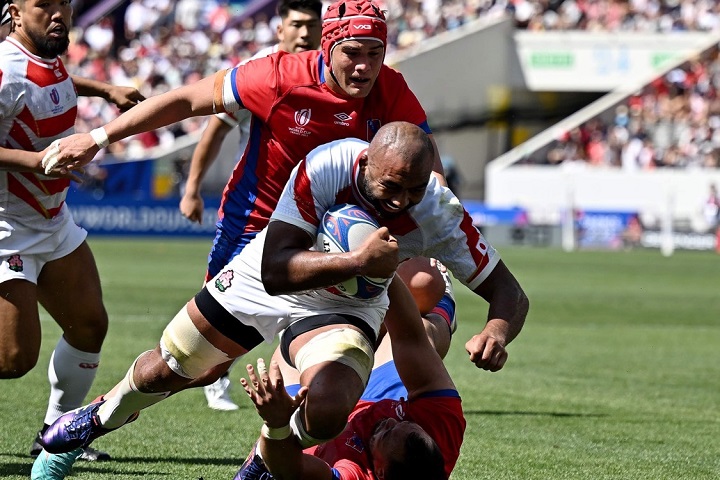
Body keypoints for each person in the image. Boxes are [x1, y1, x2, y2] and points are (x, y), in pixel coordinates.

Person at [36, 122, 528, 479]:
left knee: (329, 409)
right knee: (172, 368)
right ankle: (98, 417)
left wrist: (497, 330)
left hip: (345, 306)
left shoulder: (439, 214)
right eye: (390, 187)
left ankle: (264, 461)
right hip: (275, 268)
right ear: (365, 164)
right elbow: (276, 270)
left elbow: (509, 292)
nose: (400, 201)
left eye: (414, 190)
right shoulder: (328, 164)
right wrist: (360, 261)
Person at [0, 0, 144, 466]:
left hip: (52, 221)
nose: (59, 13)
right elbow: (19, 85)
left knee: (88, 325)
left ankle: (56, 436)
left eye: (64, 2)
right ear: (16, 13)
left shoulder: (45, 55)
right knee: (12, 359)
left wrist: (105, 89)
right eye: (44, 4)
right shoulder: (5, 67)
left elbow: (52, 80)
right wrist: (38, 161)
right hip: (7, 227)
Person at [179, 0, 323, 412]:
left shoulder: (332, 72)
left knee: (308, 297)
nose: (304, 33)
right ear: (279, 29)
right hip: (252, 210)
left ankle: (300, 381)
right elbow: (214, 131)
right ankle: (209, 374)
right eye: (296, 24)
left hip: (310, 214)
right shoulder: (258, 72)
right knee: (218, 296)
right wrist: (192, 188)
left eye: (312, 25)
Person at [236, 257, 464, 480]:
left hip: (321, 437)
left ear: (380, 472)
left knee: (298, 374)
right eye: (405, 422)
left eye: (386, 434)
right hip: (381, 396)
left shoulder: (354, 475)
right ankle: (437, 308)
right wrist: (380, 268)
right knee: (423, 293)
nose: (390, 420)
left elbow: (292, 469)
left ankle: (260, 456)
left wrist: (276, 425)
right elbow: (410, 338)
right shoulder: (439, 430)